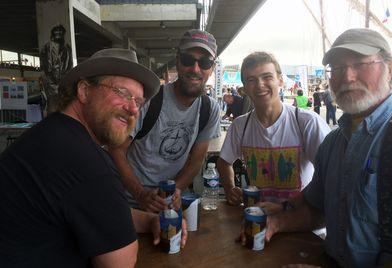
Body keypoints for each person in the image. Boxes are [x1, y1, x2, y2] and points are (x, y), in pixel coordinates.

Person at [0, 48, 188, 267]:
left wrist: (150, 220)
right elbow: (120, 263)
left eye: (139, 101)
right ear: (84, 91)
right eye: (122, 93)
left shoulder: (52, 133)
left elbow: (99, 212)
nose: (132, 109)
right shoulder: (86, 163)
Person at [256, 28, 392, 267]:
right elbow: (318, 209)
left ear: (391, 68)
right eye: (338, 68)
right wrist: (278, 222)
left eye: (360, 63)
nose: (347, 77)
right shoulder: (334, 142)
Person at [109, 29, 220, 213]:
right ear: (177, 60)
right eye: (187, 60)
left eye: (205, 62)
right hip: (128, 203)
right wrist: (140, 194)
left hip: (166, 205)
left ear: (212, 68)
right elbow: (116, 150)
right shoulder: (150, 99)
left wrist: (175, 190)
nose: (195, 69)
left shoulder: (210, 109)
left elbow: (196, 161)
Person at [217, 52, 330, 205]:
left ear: (280, 81)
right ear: (245, 89)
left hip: (302, 220)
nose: (259, 85)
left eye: (267, 77)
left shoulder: (307, 122)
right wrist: (230, 188)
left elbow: (330, 175)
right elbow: (224, 162)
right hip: (257, 218)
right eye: (251, 80)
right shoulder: (240, 126)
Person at [39, 24, 73, 114]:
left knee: (64, 106)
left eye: (60, 32)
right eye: (56, 32)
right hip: (52, 84)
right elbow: (47, 66)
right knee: (53, 107)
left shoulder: (67, 48)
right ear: (52, 34)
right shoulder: (48, 46)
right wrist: (51, 81)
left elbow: (69, 65)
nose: (58, 34)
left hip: (63, 83)